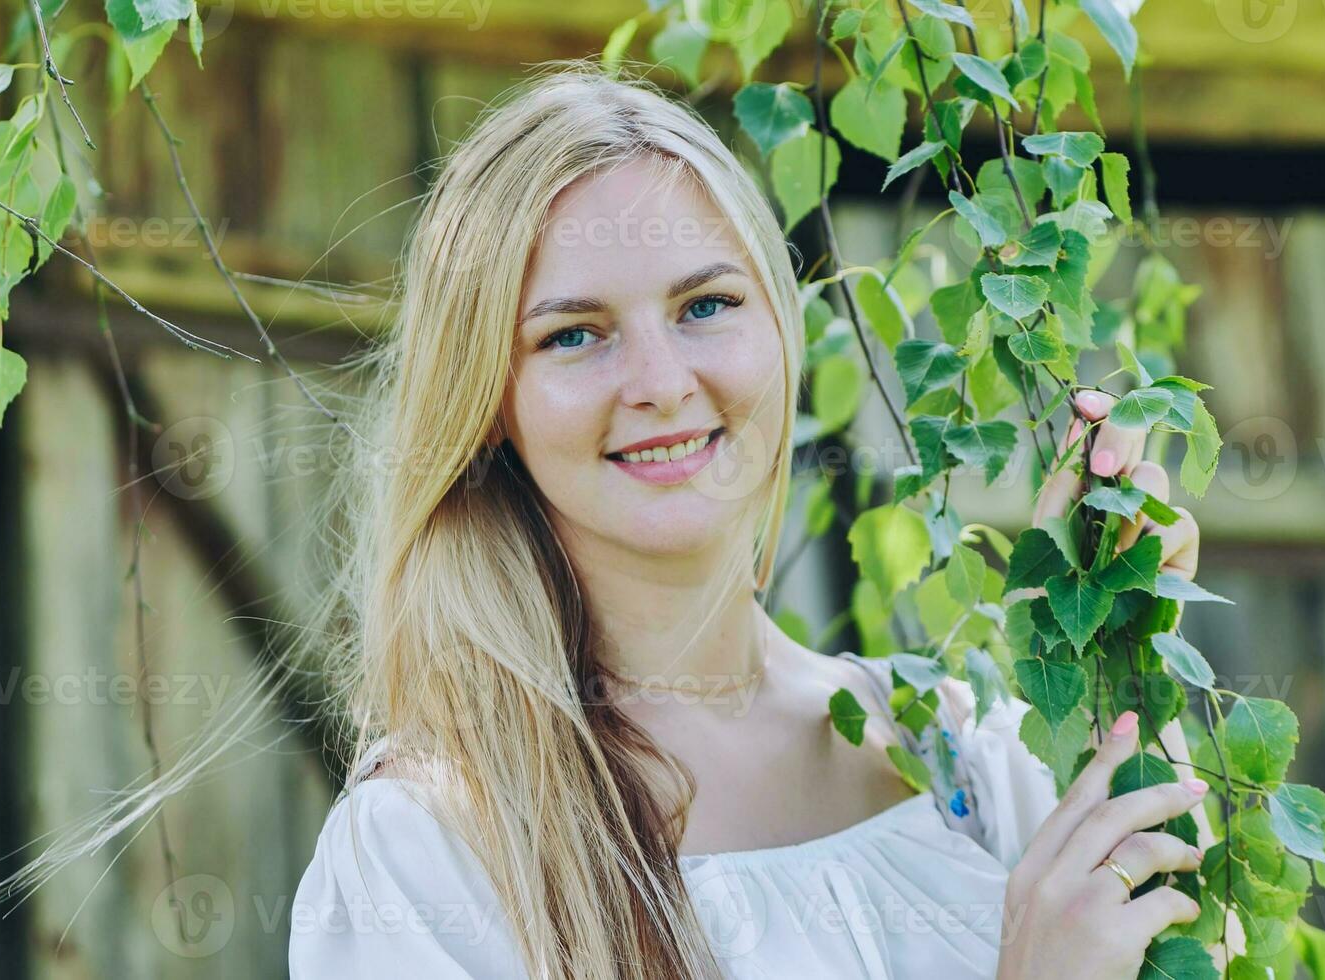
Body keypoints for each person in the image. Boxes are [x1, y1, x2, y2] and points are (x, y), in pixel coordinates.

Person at [288, 62, 1210, 980]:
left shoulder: (962, 755)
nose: (661, 383)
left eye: (707, 306)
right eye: (573, 333)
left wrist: (1125, 662)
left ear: (781, 328)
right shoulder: (428, 849)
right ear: (489, 399)